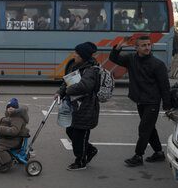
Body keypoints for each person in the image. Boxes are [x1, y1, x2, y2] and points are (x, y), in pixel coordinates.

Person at [109, 35, 171, 167]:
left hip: (152, 101)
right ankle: (159, 152)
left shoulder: (158, 64)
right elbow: (113, 58)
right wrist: (119, 46)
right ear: (136, 47)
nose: (147, 47)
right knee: (149, 128)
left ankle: (138, 155)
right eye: (143, 45)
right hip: (140, 100)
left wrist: (167, 107)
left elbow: (165, 87)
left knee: (144, 128)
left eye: (149, 44)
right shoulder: (131, 59)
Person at [54, 42, 100, 171]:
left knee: (80, 135)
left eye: (77, 54)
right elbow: (66, 82)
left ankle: (80, 161)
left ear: (83, 56)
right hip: (75, 108)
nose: (74, 56)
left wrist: (68, 90)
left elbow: (85, 86)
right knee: (71, 131)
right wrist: (60, 92)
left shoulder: (91, 70)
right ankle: (90, 150)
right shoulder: (75, 66)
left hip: (87, 108)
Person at [0, 98, 29, 173]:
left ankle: (7, 162)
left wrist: (0, 129)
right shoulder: (10, 116)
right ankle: (4, 157)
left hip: (14, 139)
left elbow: (14, 130)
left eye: (12, 107)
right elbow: (4, 125)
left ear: (16, 109)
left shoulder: (17, 118)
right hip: (9, 137)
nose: (10, 108)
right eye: (8, 107)